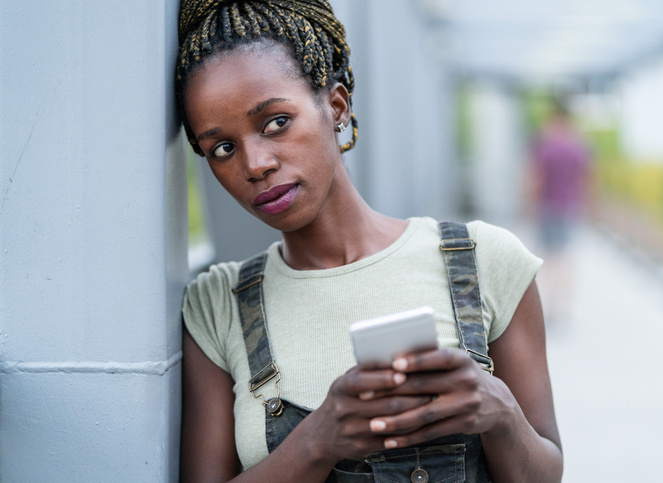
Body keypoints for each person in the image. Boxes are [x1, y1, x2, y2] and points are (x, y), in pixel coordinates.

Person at [176, 1, 562, 482]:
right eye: (223, 148)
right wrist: (317, 442)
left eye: (276, 121)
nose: (255, 164)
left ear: (336, 107)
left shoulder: (486, 260)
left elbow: (545, 474)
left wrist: (500, 412)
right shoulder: (218, 305)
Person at [529, 98, 591, 328]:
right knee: (566, 258)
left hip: (548, 208)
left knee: (550, 259)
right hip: (569, 207)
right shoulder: (578, 147)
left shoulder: (545, 147)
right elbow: (586, 179)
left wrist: (529, 207)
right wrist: (587, 206)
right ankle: (564, 308)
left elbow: (536, 179)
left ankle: (553, 306)